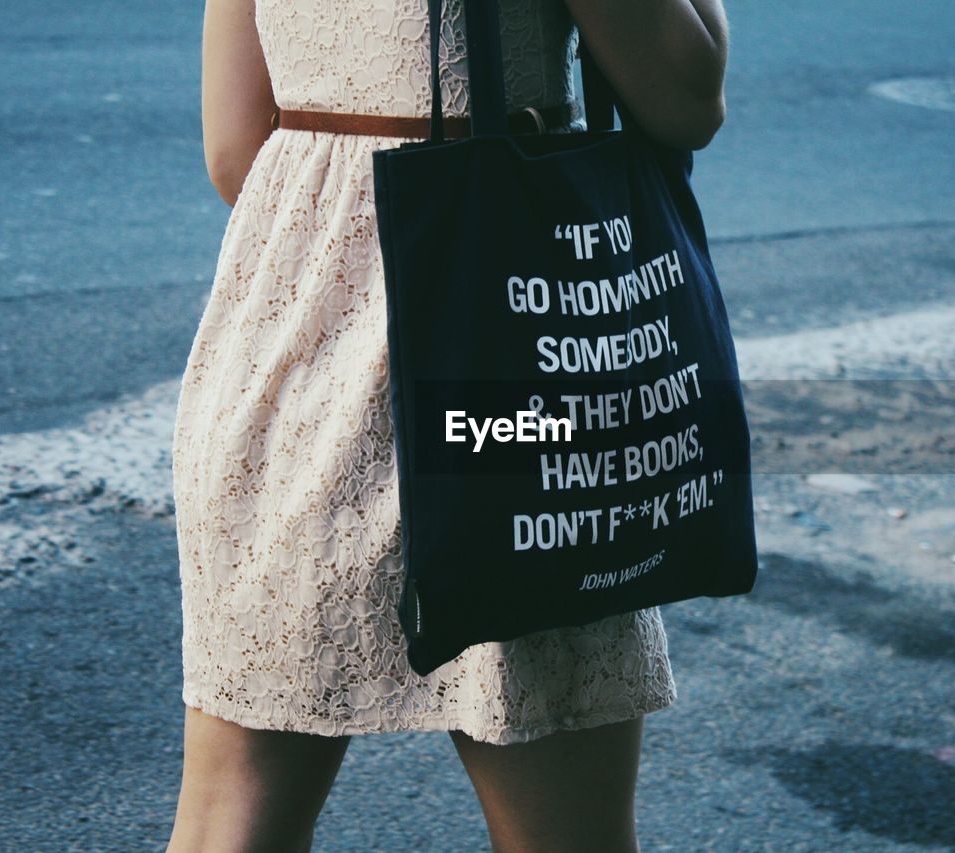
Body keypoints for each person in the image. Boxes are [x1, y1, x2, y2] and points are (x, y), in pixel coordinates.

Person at [166, 0, 730, 849]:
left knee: (234, 815)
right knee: (565, 827)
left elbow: (233, 146)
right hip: (511, 340)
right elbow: (687, 93)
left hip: (293, 338)